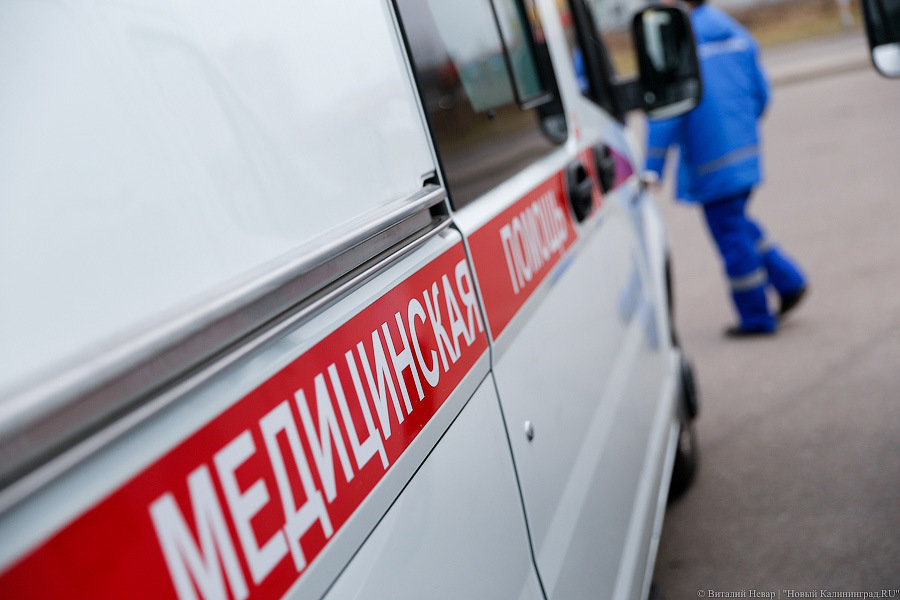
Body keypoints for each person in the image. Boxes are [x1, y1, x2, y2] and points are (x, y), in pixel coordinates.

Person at [645, 0, 807, 337]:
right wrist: (739, 131)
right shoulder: (733, 31)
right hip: (744, 153)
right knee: (738, 223)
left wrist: (652, 167)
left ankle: (756, 318)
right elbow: (761, 94)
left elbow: (666, 112)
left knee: (732, 239)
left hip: (710, 162)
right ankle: (788, 280)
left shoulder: (679, 42)